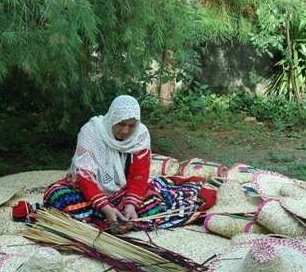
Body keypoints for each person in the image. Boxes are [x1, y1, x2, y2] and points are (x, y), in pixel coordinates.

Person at [43, 95, 217, 234]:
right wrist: (106, 208)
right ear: (112, 118)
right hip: (87, 190)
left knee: (152, 204)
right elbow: (85, 177)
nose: (125, 131)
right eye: (121, 124)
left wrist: (131, 206)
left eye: (131, 126)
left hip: (121, 191)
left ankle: (118, 219)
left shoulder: (140, 135)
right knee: (58, 197)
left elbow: (139, 175)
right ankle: (110, 217)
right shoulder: (90, 133)